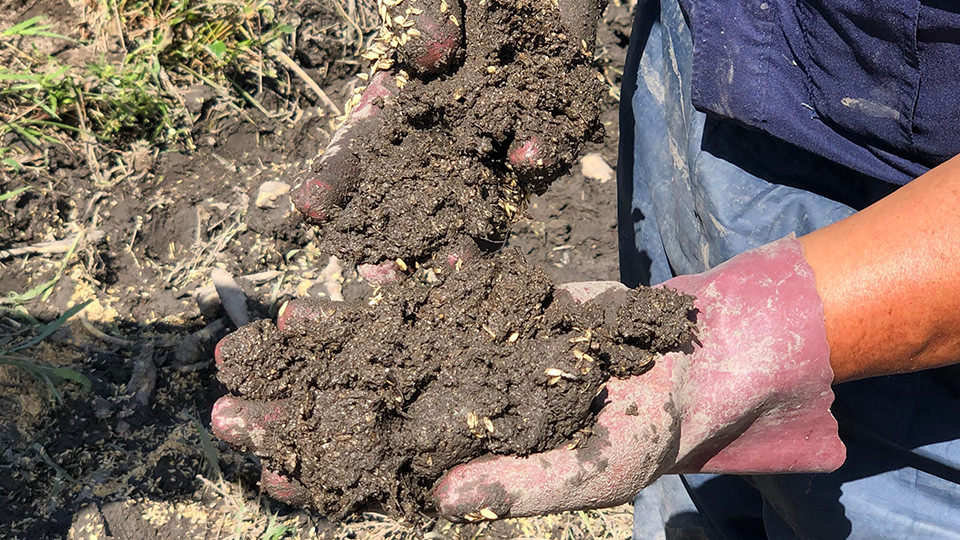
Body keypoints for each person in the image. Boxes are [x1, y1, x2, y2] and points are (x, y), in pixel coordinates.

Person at [214, 1, 960, 537]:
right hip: (715, 50)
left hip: (910, 215)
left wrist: (765, 333)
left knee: (869, 504)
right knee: (696, 493)